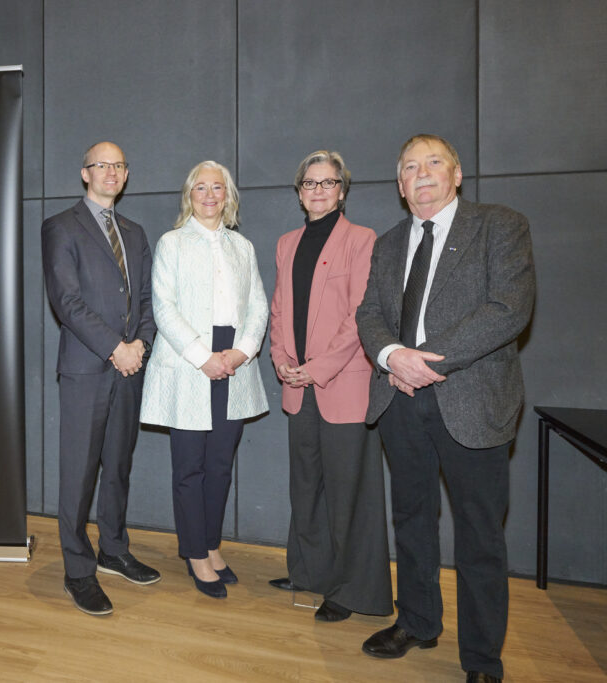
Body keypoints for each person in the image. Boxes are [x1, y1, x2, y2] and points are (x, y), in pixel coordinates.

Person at [356, 134, 535, 683]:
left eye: (435, 163)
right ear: (400, 183)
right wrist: (391, 356)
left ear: (456, 175)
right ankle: (417, 621)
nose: (422, 173)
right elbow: (369, 314)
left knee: (480, 534)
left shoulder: (499, 225)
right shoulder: (387, 244)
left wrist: (425, 361)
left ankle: (482, 660)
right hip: (399, 401)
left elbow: (508, 309)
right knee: (412, 520)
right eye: (410, 166)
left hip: (471, 400)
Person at [267, 150, 392, 622]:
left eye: (327, 182)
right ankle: (311, 573)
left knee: (349, 492)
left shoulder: (362, 240)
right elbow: (280, 311)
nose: (318, 190)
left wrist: (316, 367)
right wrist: (282, 360)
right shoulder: (286, 243)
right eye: (309, 183)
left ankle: (354, 590)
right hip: (298, 386)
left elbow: (361, 315)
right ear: (300, 193)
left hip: (342, 384)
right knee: (307, 485)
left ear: (342, 190)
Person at [41, 141, 160, 616]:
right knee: (79, 473)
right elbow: (66, 302)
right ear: (84, 173)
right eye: (101, 165)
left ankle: (112, 549)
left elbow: (149, 301)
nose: (111, 172)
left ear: (126, 175)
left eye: (119, 166)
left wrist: (141, 347)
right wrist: (116, 348)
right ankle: (78, 571)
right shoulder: (60, 227)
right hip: (88, 369)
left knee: (118, 465)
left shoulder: (134, 232)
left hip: (131, 369)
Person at [140, 160, 269, 599]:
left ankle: (212, 545)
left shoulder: (243, 247)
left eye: (218, 188)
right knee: (189, 466)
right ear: (189, 196)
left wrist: (241, 351)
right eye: (201, 188)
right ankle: (194, 552)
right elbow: (164, 309)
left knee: (219, 466)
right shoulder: (171, 243)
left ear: (228, 196)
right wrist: (203, 357)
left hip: (234, 361)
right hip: (189, 363)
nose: (210, 195)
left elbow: (258, 307)